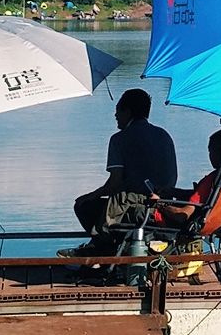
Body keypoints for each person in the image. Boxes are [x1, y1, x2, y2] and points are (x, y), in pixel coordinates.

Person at [74, 88, 179, 237]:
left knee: (83, 206)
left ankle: (103, 243)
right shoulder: (164, 135)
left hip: (139, 208)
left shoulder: (119, 139)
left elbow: (114, 183)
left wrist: (92, 196)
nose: (115, 115)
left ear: (128, 112)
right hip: (165, 203)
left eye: (118, 110)